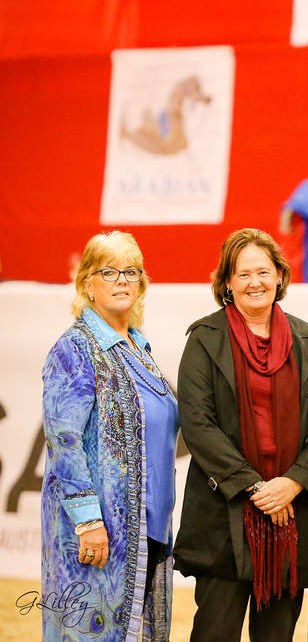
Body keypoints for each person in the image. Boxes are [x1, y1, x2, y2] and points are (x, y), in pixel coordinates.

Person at [174, 228, 308, 642]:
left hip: (291, 518)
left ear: (280, 276)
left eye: (263, 272)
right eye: (243, 274)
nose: (255, 283)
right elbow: (198, 423)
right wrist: (255, 487)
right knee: (215, 633)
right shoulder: (205, 340)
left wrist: (293, 482)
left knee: (277, 636)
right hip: (225, 517)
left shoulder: (306, 340)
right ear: (227, 282)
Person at [41, 231, 177, 641]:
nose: (122, 280)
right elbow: (64, 442)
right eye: (109, 271)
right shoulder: (75, 348)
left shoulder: (139, 349)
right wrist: (87, 522)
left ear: (142, 284)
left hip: (146, 530)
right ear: (87, 283)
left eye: (131, 272)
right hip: (98, 533)